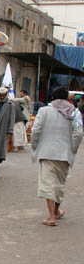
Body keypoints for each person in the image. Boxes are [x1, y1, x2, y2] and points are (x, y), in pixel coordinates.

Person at [31, 87, 83, 227]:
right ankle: (56, 211)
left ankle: (51, 216)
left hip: (47, 152)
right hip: (64, 154)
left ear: (52, 97)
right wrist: (72, 149)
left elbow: (35, 130)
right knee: (59, 184)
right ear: (67, 98)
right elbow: (78, 133)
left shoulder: (44, 111)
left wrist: (35, 146)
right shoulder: (73, 112)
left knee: (47, 184)